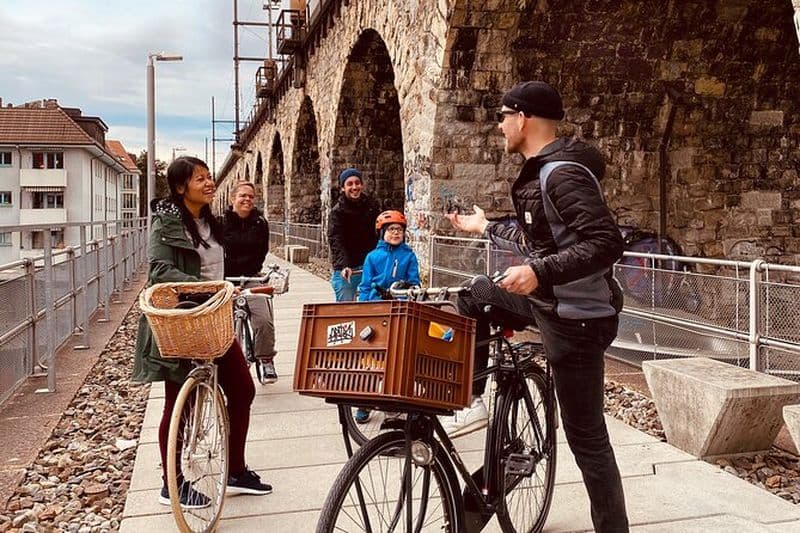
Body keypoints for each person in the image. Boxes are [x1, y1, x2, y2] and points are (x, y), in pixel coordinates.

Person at [445, 81, 629, 532]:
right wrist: (484, 226)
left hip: (578, 321)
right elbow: (540, 238)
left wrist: (539, 273)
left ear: (523, 118)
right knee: (474, 294)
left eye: (503, 118)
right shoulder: (540, 171)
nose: (500, 127)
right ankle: (480, 399)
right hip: (549, 303)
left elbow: (606, 243)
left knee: (586, 438)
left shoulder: (560, 174)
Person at [133, 156, 272, 508]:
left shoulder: (213, 223)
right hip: (183, 319)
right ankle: (172, 484)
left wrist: (253, 281)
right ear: (181, 187)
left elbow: (230, 260)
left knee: (242, 389)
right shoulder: (166, 223)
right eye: (200, 179)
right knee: (181, 404)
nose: (209, 183)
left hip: (215, 318)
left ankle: (236, 470)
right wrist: (202, 288)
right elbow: (160, 269)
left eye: (210, 177)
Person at [221, 181, 278, 384]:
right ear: (232, 198)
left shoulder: (260, 223)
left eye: (251, 197)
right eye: (242, 196)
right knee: (221, 323)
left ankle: (266, 358)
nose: (247, 200)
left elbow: (262, 249)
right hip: (226, 279)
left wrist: (253, 272)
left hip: (252, 277)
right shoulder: (220, 223)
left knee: (263, 319)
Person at [327, 168, 381, 301]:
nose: (354, 187)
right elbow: (336, 240)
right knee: (345, 302)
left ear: (362, 185)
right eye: (349, 184)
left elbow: (380, 233)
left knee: (376, 301)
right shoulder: (337, 212)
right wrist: (345, 265)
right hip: (347, 264)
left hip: (369, 263)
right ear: (343, 188)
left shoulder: (372, 206)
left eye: (357, 183)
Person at [357, 210, 421, 302]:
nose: (396, 233)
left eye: (399, 229)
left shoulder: (409, 256)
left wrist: (407, 287)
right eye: (391, 229)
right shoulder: (372, 257)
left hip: (400, 302)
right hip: (376, 301)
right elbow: (365, 286)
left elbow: (414, 283)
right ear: (382, 232)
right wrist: (362, 306)